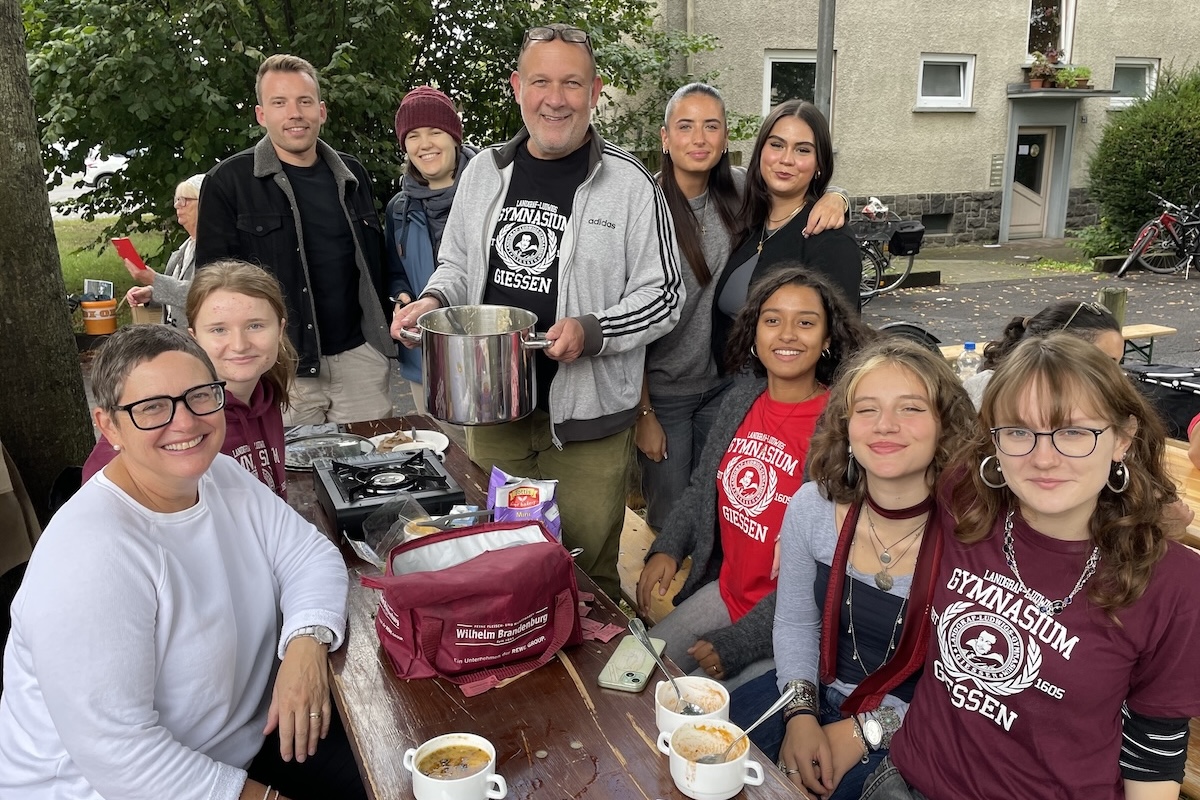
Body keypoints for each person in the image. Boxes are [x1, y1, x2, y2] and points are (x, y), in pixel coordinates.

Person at [0, 325, 364, 800]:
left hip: (243, 743)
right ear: (109, 426)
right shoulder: (90, 556)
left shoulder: (219, 475)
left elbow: (309, 555)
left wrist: (305, 644)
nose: (186, 422)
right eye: (152, 407)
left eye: (199, 396)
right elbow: (125, 759)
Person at [393, 23, 682, 600]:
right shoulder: (483, 174)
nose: (556, 98)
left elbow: (666, 295)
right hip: (493, 409)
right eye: (542, 81)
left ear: (595, 91)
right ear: (517, 87)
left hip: (589, 421)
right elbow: (454, 267)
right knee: (504, 561)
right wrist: (432, 299)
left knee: (586, 573)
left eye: (572, 83)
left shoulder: (631, 185)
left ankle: (593, 689)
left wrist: (594, 331)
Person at [865, 334, 1200, 800]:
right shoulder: (967, 500)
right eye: (1019, 432)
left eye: (1075, 432)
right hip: (909, 782)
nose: (1044, 458)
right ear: (995, 443)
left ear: (1122, 438)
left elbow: (1155, 743)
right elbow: (875, 459)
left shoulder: (1175, 584)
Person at [738, 338, 975, 800]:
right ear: (846, 428)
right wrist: (801, 714)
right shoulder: (812, 506)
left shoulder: (974, 536)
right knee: (701, 761)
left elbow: (968, 697)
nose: (886, 426)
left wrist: (866, 730)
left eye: (910, 409)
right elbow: (794, 621)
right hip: (807, 689)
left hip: (915, 721)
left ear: (945, 425)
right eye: (867, 410)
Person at [636, 267, 874, 691]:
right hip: (726, 594)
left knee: (695, 714)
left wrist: (741, 642)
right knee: (630, 670)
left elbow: (832, 570)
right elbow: (702, 490)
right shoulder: (741, 399)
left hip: (787, 620)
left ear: (828, 340)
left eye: (805, 322)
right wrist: (670, 547)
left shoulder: (839, 430)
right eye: (772, 320)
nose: (786, 334)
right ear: (754, 333)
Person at [637, 83, 847, 532]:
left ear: (726, 137)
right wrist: (644, 412)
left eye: (711, 126)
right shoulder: (643, 208)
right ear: (664, 137)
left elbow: (842, 335)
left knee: (723, 511)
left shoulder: (737, 193)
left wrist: (837, 196)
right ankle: (669, 598)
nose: (698, 138)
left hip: (727, 390)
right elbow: (626, 317)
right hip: (664, 394)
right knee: (672, 516)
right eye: (685, 126)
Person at [196, 53, 392, 425]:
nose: (294, 113)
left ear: (321, 110)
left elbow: (374, 264)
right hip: (284, 369)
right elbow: (211, 289)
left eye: (304, 101)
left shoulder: (352, 175)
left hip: (360, 360)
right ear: (261, 115)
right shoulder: (228, 182)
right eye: (279, 103)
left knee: (374, 468)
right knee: (292, 480)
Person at [83, 260, 296, 498]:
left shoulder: (265, 395)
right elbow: (98, 498)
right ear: (194, 338)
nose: (239, 345)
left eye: (255, 325)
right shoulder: (168, 415)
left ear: (280, 329)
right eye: (219, 330)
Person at [711, 100, 860, 371]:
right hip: (730, 393)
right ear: (760, 153)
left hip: (791, 399)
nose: (786, 159)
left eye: (802, 149)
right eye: (777, 145)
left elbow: (843, 342)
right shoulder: (749, 220)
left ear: (819, 164)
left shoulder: (829, 238)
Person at [386, 86, 476, 413]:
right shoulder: (398, 209)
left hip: (486, 357)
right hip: (425, 360)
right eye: (413, 135)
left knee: (492, 462)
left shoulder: (494, 193)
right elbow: (397, 273)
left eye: (435, 132)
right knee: (441, 456)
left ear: (454, 136)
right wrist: (403, 299)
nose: (424, 144)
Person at [962, 299, 1123, 409]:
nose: (1118, 376)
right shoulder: (989, 391)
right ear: (1050, 349)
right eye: (1105, 362)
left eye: (1117, 363)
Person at [124, 174, 205, 328]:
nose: (177, 205)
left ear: (204, 204)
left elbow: (203, 294)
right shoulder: (186, 246)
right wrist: (151, 293)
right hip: (177, 340)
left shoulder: (215, 249)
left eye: (185, 200)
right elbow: (178, 289)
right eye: (177, 199)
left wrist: (154, 279)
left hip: (197, 343)